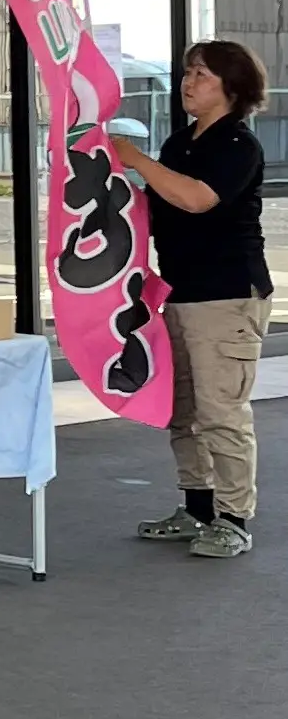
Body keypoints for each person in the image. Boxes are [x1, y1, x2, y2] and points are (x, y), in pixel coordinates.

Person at [112, 40, 274, 559]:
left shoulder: (238, 146)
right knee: (181, 410)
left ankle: (233, 517)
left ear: (232, 86)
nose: (188, 82)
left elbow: (197, 198)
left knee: (221, 411)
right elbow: (162, 205)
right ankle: (197, 507)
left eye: (201, 74)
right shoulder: (180, 143)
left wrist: (132, 157)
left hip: (226, 297)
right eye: (186, 72)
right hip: (178, 293)